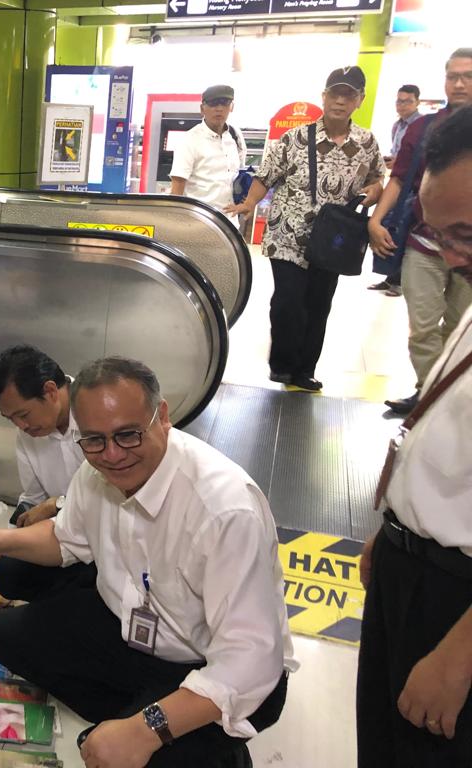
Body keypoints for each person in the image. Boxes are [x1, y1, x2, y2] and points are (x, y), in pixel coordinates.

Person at [0, 358, 295, 768]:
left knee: (133, 755)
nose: (112, 455)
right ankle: (146, 719)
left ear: (161, 416)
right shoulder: (95, 473)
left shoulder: (224, 510)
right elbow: (64, 539)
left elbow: (250, 659)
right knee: (11, 637)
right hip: (130, 630)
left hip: (211, 664)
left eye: (128, 435)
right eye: (94, 440)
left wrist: (143, 731)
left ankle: (202, 741)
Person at [356, 103, 472, 768]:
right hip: (413, 566)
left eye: (465, 235)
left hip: (458, 604)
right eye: (437, 233)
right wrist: (395, 525)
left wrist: (460, 655)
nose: (450, 256)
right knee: (383, 742)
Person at [227, 66, 385, 392]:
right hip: (288, 233)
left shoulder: (366, 142)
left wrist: (374, 192)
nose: (340, 101)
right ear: (324, 97)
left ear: (360, 100)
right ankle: (282, 365)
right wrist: (247, 205)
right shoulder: (295, 138)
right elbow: (265, 176)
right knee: (287, 301)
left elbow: (376, 179)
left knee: (318, 304)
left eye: (349, 95)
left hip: (333, 241)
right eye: (335, 94)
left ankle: (304, 370)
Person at [369, 49, 472, 416]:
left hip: (469, 253)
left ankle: (451, 400)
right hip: (424, 244)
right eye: (453, 76)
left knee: (461, 329)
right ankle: (431, 395)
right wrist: (376, 219)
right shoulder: (424, 127)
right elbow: (400, 178)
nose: (459, 83)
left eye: (468, 76)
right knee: (423, 327)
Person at [0, 345, 95, 601]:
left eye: (23, 414)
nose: (21, 426)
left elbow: (116, 500)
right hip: (63, 537)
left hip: (108, 540)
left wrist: (57, 504)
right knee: (5, 573)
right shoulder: (29, 434)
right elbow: (32, 503)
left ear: (51, 391)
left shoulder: (97, 414)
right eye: (11, 419)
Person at [369, 84, 421, 295]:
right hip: (397, 183)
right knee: (389, 227)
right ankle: (389, 276)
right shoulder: (396, 126)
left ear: (417, 102)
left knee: (403, 231)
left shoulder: (421, 126)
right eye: (399, 101)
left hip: (413, 187)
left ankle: (399, 281)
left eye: (407, 101)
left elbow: (419, 160)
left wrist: (399, 161)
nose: (401, 105)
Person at [169, 85, 247, 215]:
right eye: (212, 104)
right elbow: (177, 187)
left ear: (232, 107)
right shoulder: (189, 139)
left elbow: (239, 174)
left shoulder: (235, 135)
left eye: (225, 103)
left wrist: (244, 203)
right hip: (199, 220)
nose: (219, 109)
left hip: (230, 222)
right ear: (202, 108)